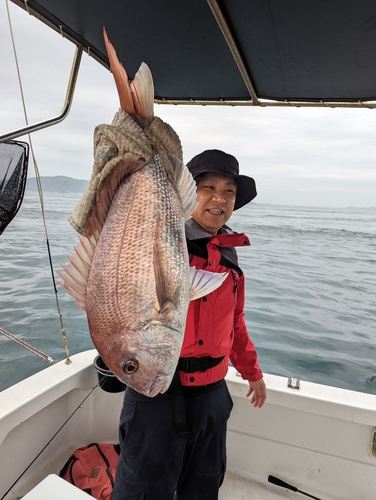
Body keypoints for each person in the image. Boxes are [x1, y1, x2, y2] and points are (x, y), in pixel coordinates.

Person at [112, 149, 266, 500]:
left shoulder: (228, 253)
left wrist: (252, 372)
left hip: (212, 395)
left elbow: (235, 322)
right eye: (207, 187)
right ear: (187, 193)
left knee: (203, 487)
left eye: (228, 191)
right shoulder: (161, 243)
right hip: (158, 391)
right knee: (142, 491)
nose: (219, 198)